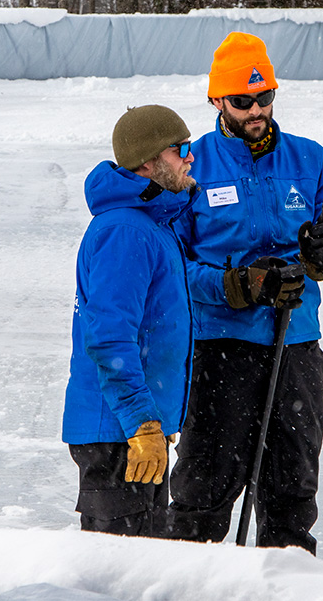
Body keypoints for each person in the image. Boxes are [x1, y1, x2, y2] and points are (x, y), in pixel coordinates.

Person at [168, 32, 323, 554]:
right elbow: (174, 267)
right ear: (217, 101)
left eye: (265, 97)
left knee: (292, 497)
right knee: (202, 497)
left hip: (296, 346)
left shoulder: (309, 159)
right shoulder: (192, 165)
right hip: (222, 351)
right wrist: (238, 285)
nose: (257, 109)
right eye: (243, 100)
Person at [62, 104, 198, 536]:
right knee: (118, 578)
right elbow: (108, 338)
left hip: (133, 432)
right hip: (118, 432)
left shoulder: (152, 225)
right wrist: (141, 421)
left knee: (141, 568)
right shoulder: (126, 231)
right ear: (149, 160)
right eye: (181, 149)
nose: (191, 157)